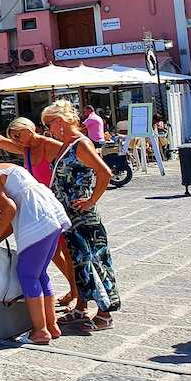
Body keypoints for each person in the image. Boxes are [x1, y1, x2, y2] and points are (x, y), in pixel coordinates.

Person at [0, 160, 70, 345]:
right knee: (40, 274)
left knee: (27, 275)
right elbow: (12, 213)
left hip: (35, 220)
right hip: (50, 214)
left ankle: (40, 331)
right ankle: (51, 325)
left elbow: (8, 209)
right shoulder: (2, 168)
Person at [0, 119, 79, 308]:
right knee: (54, 254)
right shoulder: (25, 149)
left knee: (68, 252)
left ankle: (78, 294)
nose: (16, 140)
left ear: (29, 129)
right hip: (37, 207)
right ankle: (73, 289)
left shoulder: (50, 145)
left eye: (18, 135)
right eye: (13, 137)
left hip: (56, 201)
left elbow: (75, 161)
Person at [41, 99, 120, 331]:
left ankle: (105, 314)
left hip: (83, 217)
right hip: (70, 217)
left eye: (49, 124)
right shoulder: (66, 145)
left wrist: (90, 200)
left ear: (59, 122)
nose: (48, 130)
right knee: (79, 263)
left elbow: (104, 173)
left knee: (94, 262)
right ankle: (81, 308)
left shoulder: (80, 144)